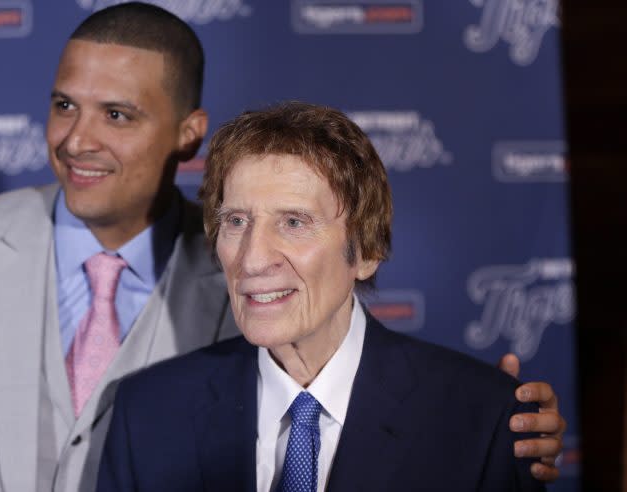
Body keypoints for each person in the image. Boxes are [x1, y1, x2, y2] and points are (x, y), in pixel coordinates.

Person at [0, 3, 562, 492]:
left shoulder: (252, 278)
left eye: (116, 114)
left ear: (188, 132)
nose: (75, 140)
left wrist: (486, 425)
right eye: (64, 106)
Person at [97, 102, 553, 491]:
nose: (253, 259)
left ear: (367, 251)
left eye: (294, 223)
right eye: (236, 221)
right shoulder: (147, 413)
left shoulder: (481, 417)